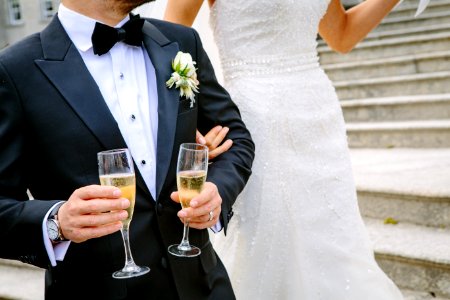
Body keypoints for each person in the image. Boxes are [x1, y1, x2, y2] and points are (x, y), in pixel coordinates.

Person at [0, 0, 255, 299]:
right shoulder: (15, 71)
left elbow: (235, 138)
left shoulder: (181, 42)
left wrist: (218, 191)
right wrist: (57, 222)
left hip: (205, 286)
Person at [164, 0, 409, 299]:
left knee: (331, 233)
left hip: (320, 119)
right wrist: (194, 122)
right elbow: (171, 40)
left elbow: (342, 34)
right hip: (257, 118)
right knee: (270, 234)